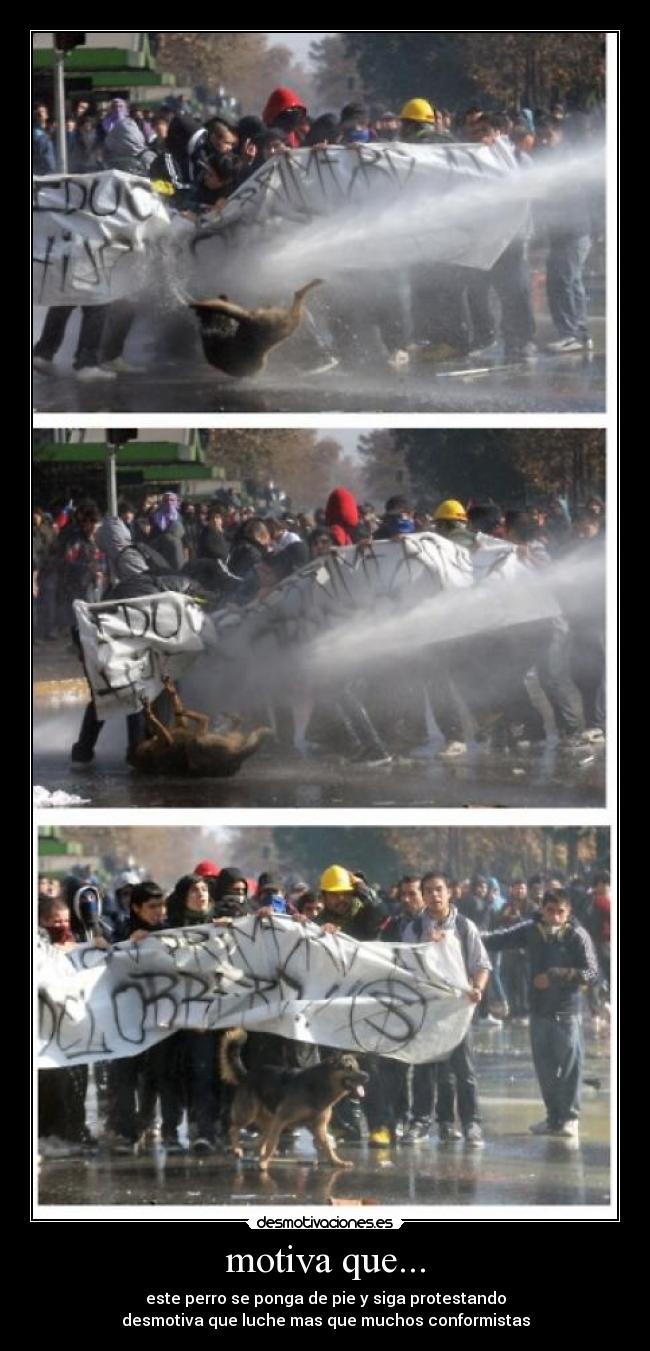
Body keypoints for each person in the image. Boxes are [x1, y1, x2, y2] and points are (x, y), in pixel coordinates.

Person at [484, 889, 599, 1138]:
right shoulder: (531, 930)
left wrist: (557, 975)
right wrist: (463, 935)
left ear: (568, 912)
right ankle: (553, 1118)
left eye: (560, 912)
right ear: (543, 910)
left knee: (569, 1066)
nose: (555, 917)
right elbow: (498, 940)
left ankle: (570, 1118)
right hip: (538, 1010)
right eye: (550, 911)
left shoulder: (577, 935)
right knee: (545, 1068)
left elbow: (592, 973)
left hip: (566, 1010)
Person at [401, 871, 491, 1147]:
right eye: (428, 890)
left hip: (457, 1011)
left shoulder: (464, 926)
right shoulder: (414, 929)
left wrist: (477, 988)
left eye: (439, 889)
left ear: (449, 892)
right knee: (424, 1069)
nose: (434, 895)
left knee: (464, 1071)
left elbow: (481, 964)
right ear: (423, 895)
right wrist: (426, 947)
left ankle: (471, 1123)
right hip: (427, 1010)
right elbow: (405, 968)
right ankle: (420, 1122)